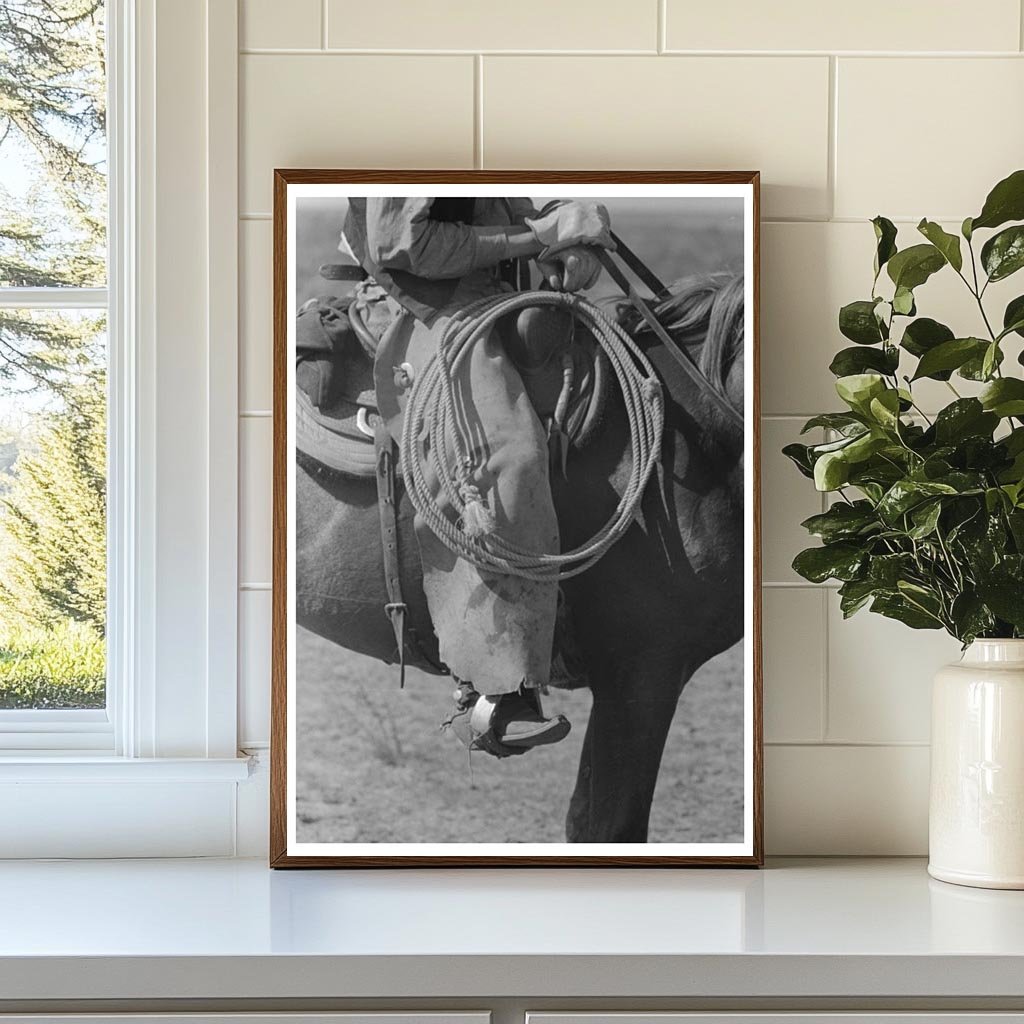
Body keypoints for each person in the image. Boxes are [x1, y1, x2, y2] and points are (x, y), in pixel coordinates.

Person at [335, 197, 613, 758]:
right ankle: (495, 693)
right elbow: (404, 242)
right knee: (509, 461)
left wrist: (575, 233)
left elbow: (514, 205)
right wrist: (536, 237)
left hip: (495, 293)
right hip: (424, 304)